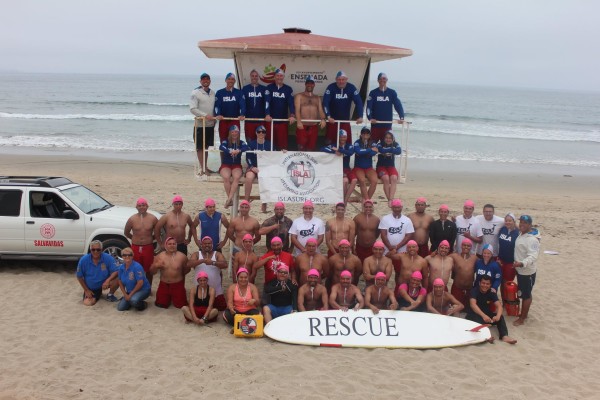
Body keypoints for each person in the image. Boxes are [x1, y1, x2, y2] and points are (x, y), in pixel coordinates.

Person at [467, 275, 517, 344]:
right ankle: (486, 337)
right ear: (479, 283)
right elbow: (473, 305)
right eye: (483, 283)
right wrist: (483, 316)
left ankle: (504, 336)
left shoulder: (491, 292)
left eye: (487, 284)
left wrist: (498, 316)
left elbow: (499, 306)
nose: (485, 285)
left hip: (486, 315)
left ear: (490, 285)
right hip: (474, 315)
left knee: (501, 317)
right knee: (477, 320)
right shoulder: (474, 290)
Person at [187, 236, 228, 312]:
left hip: (216, 291)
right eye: (205, 243)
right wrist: (202, 261)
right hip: (200, 290)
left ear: (212, 244)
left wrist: (212, 262)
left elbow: (225, 265)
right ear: (201, 244)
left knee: (221, 308)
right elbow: (189, 264)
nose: (207, 245)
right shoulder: (196, 254)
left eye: (209, 243)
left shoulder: (217, 254)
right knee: (198, 308)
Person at [322, 70, 364, 145]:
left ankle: (345, 156)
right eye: (339, 79)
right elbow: (325, 102)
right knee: (329, 142)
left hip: (345, 121)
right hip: (332, 121)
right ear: (336, 79)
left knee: (346, 143)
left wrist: (360, 116)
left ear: (346, 79)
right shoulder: (331, 87)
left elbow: (359, 102)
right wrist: (328, 116)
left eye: (343, 79)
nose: (341, 81)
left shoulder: (351, 88)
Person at [513, 215, 540, 326]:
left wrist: (521, 263)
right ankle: (524, 313)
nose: (522, 224)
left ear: (530, 224)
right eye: (521, 222)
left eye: (525, 223)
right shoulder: (522, 234)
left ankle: (522, 318)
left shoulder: (532, 239)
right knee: (525, 292)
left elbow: (533, 256)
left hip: (527, 272)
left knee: (526, 295)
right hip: (520, 270)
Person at [124, 197, 158, 285]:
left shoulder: (153, 218)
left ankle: (148, 287)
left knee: (149, 268)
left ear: (147, 206)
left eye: (143, 205)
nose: (141, 207)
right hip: (135, 247)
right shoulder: (132, 219)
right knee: (135, 268)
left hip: (148, 247)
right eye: (139, 205)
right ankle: (136, 287)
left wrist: (151, 238)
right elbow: (126, 232)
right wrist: (134, 238)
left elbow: (159, 232)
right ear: (136, 207)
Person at [149, 237, 190, 309]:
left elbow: (187, 269)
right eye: (169, 244)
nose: (172, 245)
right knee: (161, 304)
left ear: (176, 245)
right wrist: (156, 266)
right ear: (166, 245)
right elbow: (152, 272)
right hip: (164, 284)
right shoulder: (159, 256)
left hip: (177, 285)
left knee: (181, 305)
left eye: (174, 244)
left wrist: (179, 276)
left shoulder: (182, 256)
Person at [75, 240, 119, 306]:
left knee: (119, 276)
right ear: (90, 250)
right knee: (88, 303)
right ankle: (97, 293)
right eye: (93, 249)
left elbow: (116, 270)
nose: (95, 251)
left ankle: (110, 294)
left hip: (105, 284)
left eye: (98, 250)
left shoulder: (108, 257)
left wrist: (108, 280)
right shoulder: (84, 260)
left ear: (101, 249)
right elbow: (79, 276)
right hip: (91, 288)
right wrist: (86, 290)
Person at [366, 72, 404, 142]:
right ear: (378, 80)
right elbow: (368, 107)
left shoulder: (392, 93)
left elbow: (398, 105)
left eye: (384, 79)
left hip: (387, 126)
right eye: (380, 79)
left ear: (387, 80)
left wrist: (401, 117)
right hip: (375, 126)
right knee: (372, 147)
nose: (382, 80)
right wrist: (370, 118)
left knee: (387, 148)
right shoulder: (373, 93)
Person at [321, 129, 356, 204]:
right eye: (341, 137)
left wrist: (340, 150)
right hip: (337, 169)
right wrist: (334, 151)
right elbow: (323, 148)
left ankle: (345, 200)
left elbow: (351, 153)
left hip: (347, 169)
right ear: (338, 137)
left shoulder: (348, 145)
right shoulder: (334, 145)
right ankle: (343, 201)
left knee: (354, 180)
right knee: (345, 181)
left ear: (346, 137)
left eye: (344, 137)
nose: (343, 139)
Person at [190, 72, 216, 173]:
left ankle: (205, 167)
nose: (206, 81)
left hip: (210, 125)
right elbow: (192, 109)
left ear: (210, 81)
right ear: (200, 81)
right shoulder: (195, 92)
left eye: (207, 79)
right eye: (203, 79)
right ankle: (202, 168)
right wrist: (205, 116)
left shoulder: (212, 92)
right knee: (200, 147)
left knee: (206, 147)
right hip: (200, 125)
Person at [244, 125, 273, 213]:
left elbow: (274, 156)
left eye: (263, 132)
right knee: (248, 178)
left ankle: (264, 203)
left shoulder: (269, 144)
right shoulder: (251, 144)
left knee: (266, 179)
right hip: (253, 167)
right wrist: (252, 167)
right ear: (256, 133)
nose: (261, 133)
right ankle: (246, 201)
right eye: (259, 132)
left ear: (265, 134)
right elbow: (248, 157)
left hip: (265, 168)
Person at [265, 69, 295, 149]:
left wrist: (292, 115)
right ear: (274, 77)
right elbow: (267, 101)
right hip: (271, 120)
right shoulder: (269, 87)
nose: (279, 77)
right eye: (277, 75)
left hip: (283, 121)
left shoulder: (288, 89)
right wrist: (267, 114)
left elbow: (291, 103)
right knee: (270, 142)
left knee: (282, 144)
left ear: (283, 77)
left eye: (281, 75)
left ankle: (282, 160)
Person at [219, 125, 248, 208]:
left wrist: (238, 150)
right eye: (232, 132)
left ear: (238, 133)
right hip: (226, 164)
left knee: (236, 177)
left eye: (236, 132)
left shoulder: (241, 142)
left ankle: (229, 200)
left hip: (236, 165)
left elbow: (246, 147)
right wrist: (230, 151)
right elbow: (221, 146)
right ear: (230, 133)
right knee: (226, 177)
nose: (234, 134)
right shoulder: (226, 141)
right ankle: (230, 199)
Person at [294, 75, 326, 151]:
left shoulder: (317, 97)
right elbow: (297, 110)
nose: (309, 85)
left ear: (314, 85)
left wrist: (323, 119)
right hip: (302, 126)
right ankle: (300, 162)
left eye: (311, 83)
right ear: (305, 84)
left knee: (311, 148)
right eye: (308, 83)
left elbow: (321, 110)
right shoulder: (299, 96)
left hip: (314, 127)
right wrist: (298, 122)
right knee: (301, 148)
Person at [116, 247, 151, 311]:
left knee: (133, 301)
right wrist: (125, 294)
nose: (127, 256)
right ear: (122, 256)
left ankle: (143, 304)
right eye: (124, 255)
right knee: (120, 308)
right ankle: (130, 301)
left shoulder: (137, 267)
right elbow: (120, 281)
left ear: (132, 256)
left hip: (143, 290)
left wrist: (130, 295)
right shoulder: (121, 267)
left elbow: (140, 283)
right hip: (130, 291)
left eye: (129, 255)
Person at [214, 72, 245, 142]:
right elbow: (217, 106)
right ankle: (223, 153)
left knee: (235, 142)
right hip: (223, 120)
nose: (230, 81)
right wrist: (218, 114)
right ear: (226, 80)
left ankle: (235, 152)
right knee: (223, 142)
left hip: (235, 121)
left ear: (235, 81)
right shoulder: (219, 92)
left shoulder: (239, 92)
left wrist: (242, 114)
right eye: (229, 79)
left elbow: (242, 105)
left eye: (232, 79)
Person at [448, 238, 477, 311]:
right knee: (455, 309)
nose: (466, 247)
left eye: (468, 246)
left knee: (468, 310)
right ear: (461, 246)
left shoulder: (474, 258)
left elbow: (484, 264)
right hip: (457, 288)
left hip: (469, 289)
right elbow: (443, 257)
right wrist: (434, 254)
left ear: (471, 247)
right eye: (464, 245)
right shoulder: (454, 256)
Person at [352, 127, 379, 201]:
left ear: (369, 135)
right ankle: (367, 201)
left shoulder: (372, 142)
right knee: (362, 180)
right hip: (358, 167)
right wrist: (369, 150)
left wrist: (364, 152)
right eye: (363, 134)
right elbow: (358, 152)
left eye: (367, 134)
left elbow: (374, 152)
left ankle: (366, 200)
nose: (365, 136)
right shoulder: (357, 142)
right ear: (361, 135)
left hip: (369, 168)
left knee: (374, 181)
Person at [376, 131, 402, 205]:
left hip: (391, 167)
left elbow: (399, 151)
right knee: (386, 178)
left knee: (394, 178)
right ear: (384, 138)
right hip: (381, 167)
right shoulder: (380, 144)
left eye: (390, 138)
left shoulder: (395, 144)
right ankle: (390, 200)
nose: (388, 139)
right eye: (386, 138)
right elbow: (381, 150)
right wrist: (391, 149)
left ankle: (391, 199)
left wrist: (389, 149)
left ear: (392, 138)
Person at [242, 69, 268, 143]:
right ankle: (250, 154)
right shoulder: (245, 89)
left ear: (258, 77)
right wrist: (242, 114)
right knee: (249, 140)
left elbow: (267, 103)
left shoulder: (263, 89)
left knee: (261, 140)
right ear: (250, 77)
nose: (254, 77)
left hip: (261, 120)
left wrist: (267, 114)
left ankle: (260, 154)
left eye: (256, 76)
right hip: (249, 120)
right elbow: (242, 103)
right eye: (253, 76)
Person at [497, 213, 519, 293]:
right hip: (500, 260)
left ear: (514, 221)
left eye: (510, 221)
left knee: (506, 283)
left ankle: (506, 302)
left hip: (510, 262)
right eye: (506, 221)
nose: (508, 222)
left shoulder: (517, 233)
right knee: (498, 280)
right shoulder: (502, 229)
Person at [353, 199, 380, 263]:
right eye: (366, 207)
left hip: (372, 247)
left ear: (372, 207)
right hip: (360, 246)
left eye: (370, 207)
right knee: (360, 264)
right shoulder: (357, 218)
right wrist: (353, 246)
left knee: (371, 264)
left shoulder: (376, 219)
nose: (368, 208)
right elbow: (353, 233)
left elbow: (377, 233)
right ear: (363, 207)